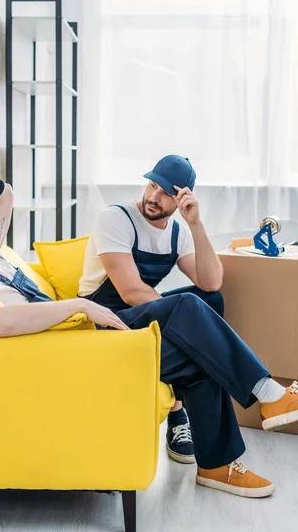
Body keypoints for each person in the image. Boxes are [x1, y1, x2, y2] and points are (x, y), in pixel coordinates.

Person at [0, 177, 298, 499]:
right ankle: (268, 395)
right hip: (68, 354)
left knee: (197, 345)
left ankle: (216, 464)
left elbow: (4, 194)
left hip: (77, 339)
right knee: (186, 306)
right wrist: (79, 306)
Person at [78, 155, 224, 464]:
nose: (154, 197)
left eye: (166, 192)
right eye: (152, 185)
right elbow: (131, 292)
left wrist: (195, 224)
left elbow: (211, 282)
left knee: (211, 301)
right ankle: (179, 415)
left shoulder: (178, 233)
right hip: (103, 319)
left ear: (181, 199)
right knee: (190, 326)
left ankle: (182, 417)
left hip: (142, 313)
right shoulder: (117, 218)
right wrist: (180, 322)